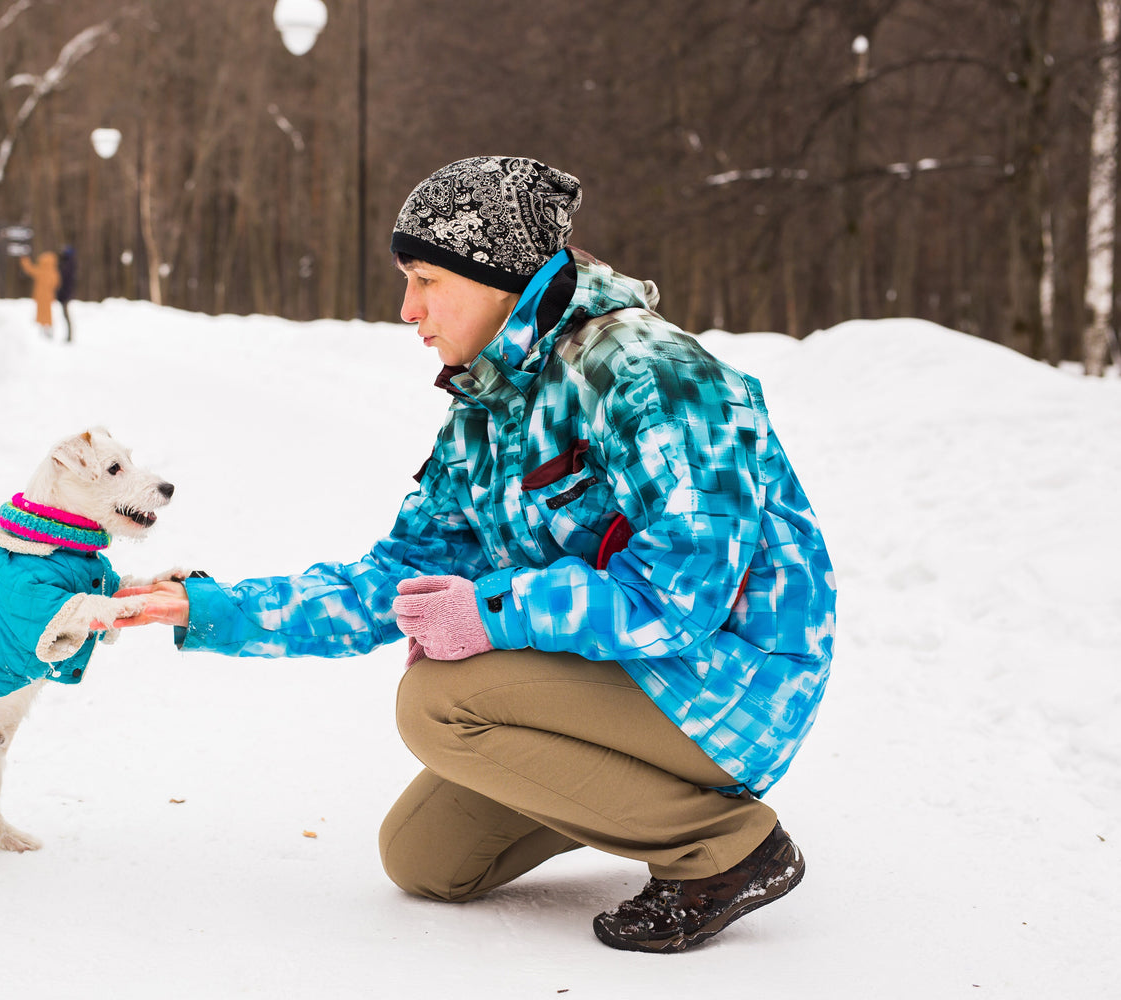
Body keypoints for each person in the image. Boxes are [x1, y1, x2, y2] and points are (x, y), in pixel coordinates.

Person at [115, 156, 835, 954]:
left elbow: (685, 595)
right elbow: (393, 580)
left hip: (733, 682)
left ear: (496, 276)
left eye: (425, 279)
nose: (406, 308)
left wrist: (491, 613)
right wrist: (210, 607)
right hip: (630, 675)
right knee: (425, 860)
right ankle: (646, 802)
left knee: (438, 702)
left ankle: (729, 849)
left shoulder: (650, 373)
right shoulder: (489, 407)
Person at [20, 251, 61, 338]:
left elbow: (29, 269)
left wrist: (24, 260)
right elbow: (57, 284)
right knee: (47, 314)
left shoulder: (41, 271)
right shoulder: (54, 272)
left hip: (42, 296)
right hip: (48, 296)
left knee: (42, 314)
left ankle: (44, 330)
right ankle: (47, 330)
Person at [57, 245, 77, 342]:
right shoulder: (68, 264)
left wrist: (62, 294)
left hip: (65, 295)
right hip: (65, 294)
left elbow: (65, 281)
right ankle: (69, 336)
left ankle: (69, 336)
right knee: (65, 316)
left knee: (66, 316)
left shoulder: (68, 265)